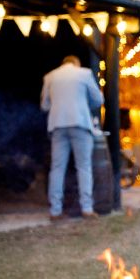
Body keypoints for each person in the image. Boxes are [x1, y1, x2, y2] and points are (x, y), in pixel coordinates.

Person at [40, 55, 103, 220]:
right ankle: (87, 208)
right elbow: (98, 99)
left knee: (57, 168)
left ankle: (55, 210)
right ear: (76, 63)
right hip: (80, 122)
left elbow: (45, 105)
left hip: (58, 125)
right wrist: (84, 104)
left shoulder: (50, 76)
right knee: (83, 167)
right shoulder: (84, 74)